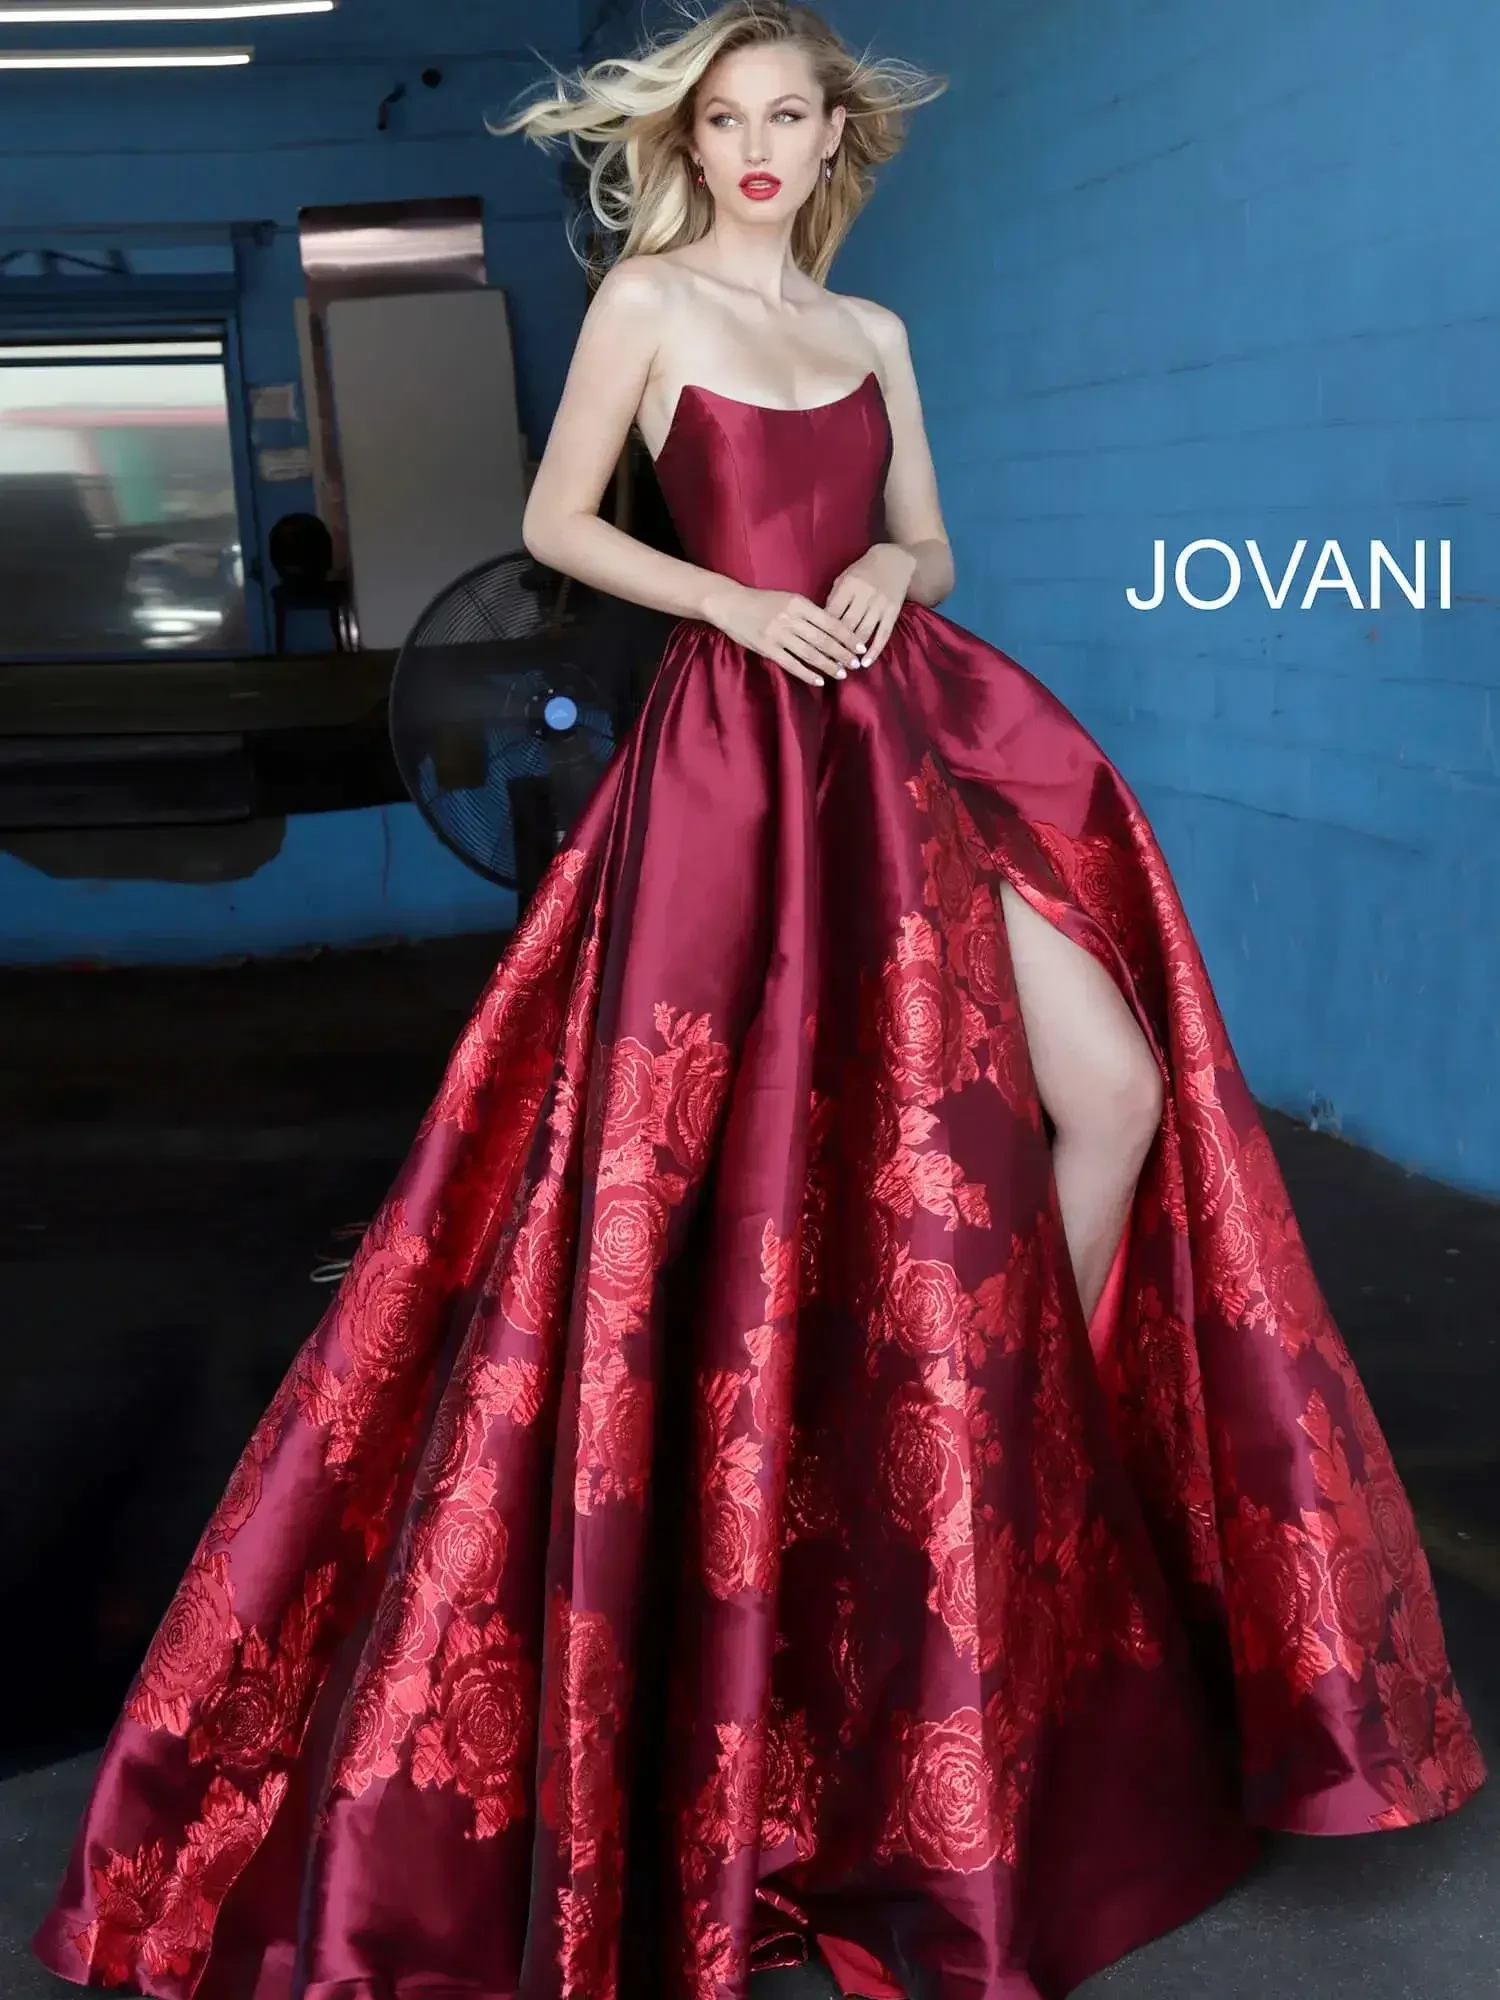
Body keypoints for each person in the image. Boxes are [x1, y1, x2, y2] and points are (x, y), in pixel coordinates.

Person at [33, 5, 1485, 1999]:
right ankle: (808, 1549)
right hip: (740, 754)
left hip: (907, 732)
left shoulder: (874, 333)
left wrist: (893, 563)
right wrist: (737, 602)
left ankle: (996, 1452)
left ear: (834, 134)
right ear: (689, 138)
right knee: (735, 1169)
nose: (762, 146)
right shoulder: (644, 301)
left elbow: (935, 530)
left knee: (1115, 1089)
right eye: (728, 118)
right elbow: (556, 527)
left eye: (792, 115)